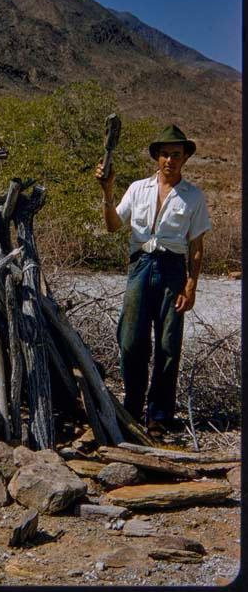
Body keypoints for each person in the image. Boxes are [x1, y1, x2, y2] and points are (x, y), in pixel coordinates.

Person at [95, 124, 212, 438]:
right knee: (131, 341)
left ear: (185, 158)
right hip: (141, 266)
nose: (169, 160)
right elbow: (112, 226)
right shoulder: (137, 188)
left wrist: (191, 286)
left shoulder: (193, 196)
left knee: (168, 345)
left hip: (173, 270)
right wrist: (107, 191)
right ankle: (132, 409)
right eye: (164, 154)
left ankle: (158, 416)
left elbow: (196, 247)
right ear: (156, 157)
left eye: (176, 155)